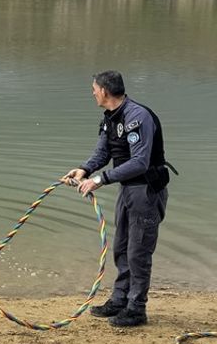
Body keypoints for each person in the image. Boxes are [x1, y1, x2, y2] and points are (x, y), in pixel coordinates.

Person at [61, 70, 173, 328]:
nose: (92, 93)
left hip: (146, 191)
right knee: (121, 248)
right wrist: (85, 169)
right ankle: (120, 299)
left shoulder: (138, 117)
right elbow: (103, 152)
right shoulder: (110, 118)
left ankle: (136, 308)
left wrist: (100, 180)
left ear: (105, 91)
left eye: (94, 89)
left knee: (138, 252)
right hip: (127, 191)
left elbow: (140, 162)